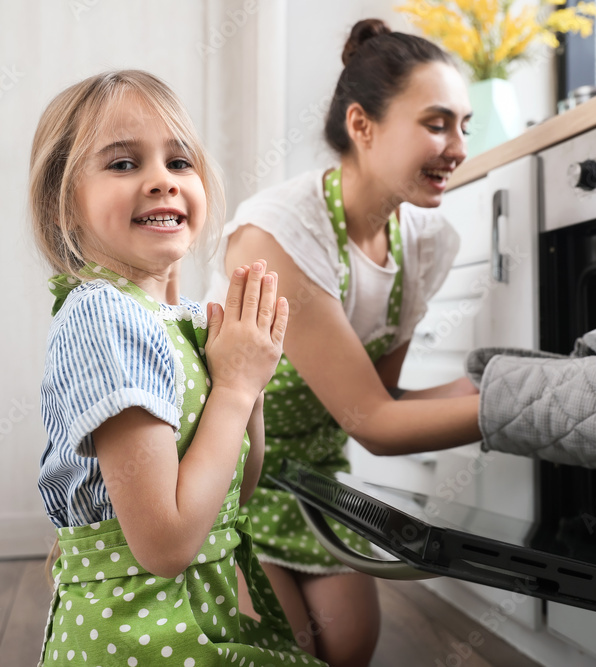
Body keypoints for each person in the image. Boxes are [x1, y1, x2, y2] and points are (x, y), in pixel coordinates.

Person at [206, 18, 480, 667]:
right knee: (278, 653)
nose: (459, 147)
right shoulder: (280, 232)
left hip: (314, 482)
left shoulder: (427, 241)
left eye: (466, 125)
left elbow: (377, 395)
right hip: (225, 478)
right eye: (438, 123)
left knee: (348, 649)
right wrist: (522, 411)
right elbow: (378, 424)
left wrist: (502, 379)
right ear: (362, 126)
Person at [31, 70, 325, 666]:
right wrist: (235, 389)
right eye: (122, 164)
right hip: (135, 631)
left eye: (180, 162)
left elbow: (230, 496)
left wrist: (251, 381)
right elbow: (166, 543)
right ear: (64, 205)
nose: (161, 180)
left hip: (193, 611)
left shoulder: (180, 319)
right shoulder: (104, 317)